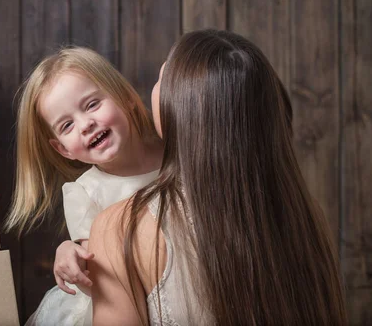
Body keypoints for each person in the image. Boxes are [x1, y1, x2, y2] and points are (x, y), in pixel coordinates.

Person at [88, 29, 348, 325]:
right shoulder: (304, 213)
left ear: (184, 112)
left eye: (163, 78)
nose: (155, 88)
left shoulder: (120, 229)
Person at [4, 47, 163, 325]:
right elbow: (99, 281)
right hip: (129, 304)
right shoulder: (84, 194)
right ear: (63, 149)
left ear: (125, 98)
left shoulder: (172, 151)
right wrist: (72, 257)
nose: (85, 125)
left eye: (91, 105)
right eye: (67, 126)